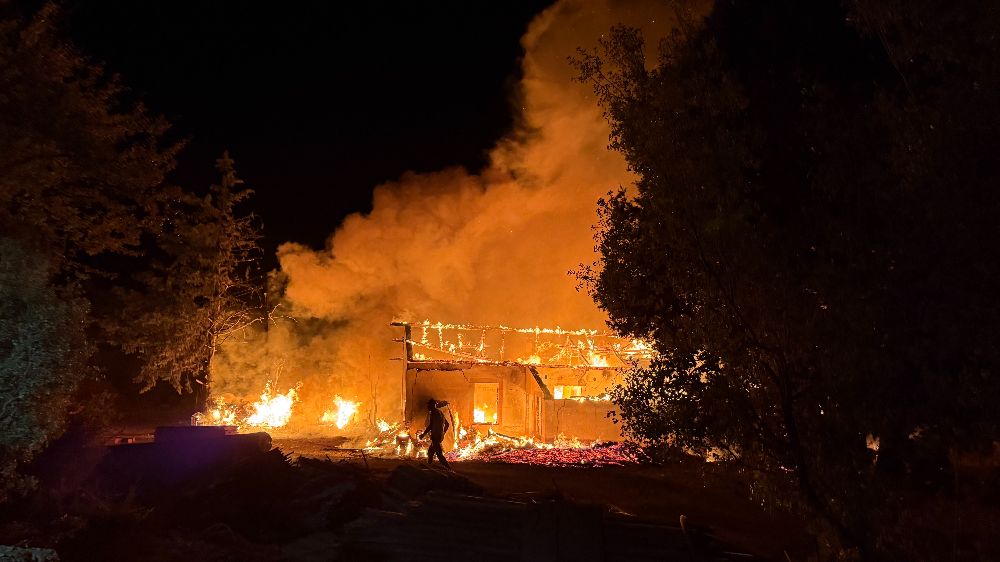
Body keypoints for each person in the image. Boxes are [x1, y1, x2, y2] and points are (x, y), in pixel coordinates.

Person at [418, 398, 452, 469]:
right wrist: (443, 433)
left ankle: (449, 468)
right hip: (439, 436)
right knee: (430, 452)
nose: (427, 407)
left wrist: (423, 435)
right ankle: (428, 467)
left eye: (429, 405)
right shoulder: (440, 412)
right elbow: (447, 424)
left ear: (432, 405)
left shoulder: (433, 413)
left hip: (436, 436)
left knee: (439, 454)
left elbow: (431, 425)